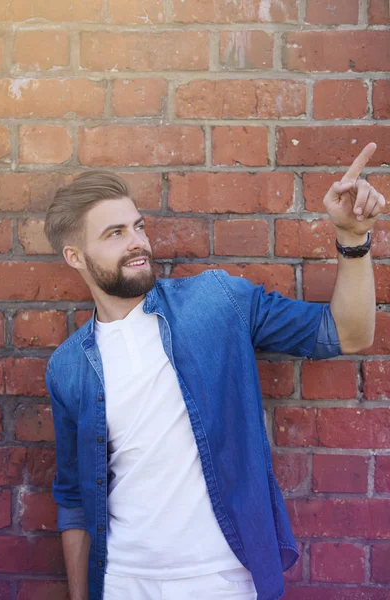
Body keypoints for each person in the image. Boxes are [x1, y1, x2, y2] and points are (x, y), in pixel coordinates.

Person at [44, 142, 385, 600]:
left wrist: (352, 238)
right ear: (75, 258)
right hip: (122, 581)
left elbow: (348, 332)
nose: (138, 242)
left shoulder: (215, 303)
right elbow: (73, 500)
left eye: (138, 227)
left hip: (220, 581)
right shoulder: (68, 367)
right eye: (115, 234)